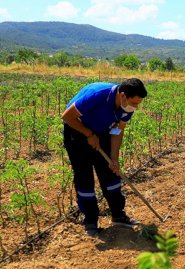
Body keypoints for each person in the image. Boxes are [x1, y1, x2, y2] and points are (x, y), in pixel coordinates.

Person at [61, 78, 148, 236]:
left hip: (102, 132)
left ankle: (118, 215)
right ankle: (90, 221)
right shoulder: (98, 95)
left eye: (138, 104)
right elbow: (67, 116)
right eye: (134, 103)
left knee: (110, 173)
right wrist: (88, 134)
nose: (135, 107)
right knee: (84, 176)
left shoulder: (127, 107)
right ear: (122, 95)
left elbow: (118, 131)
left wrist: (114, 158)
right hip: (76, 132)